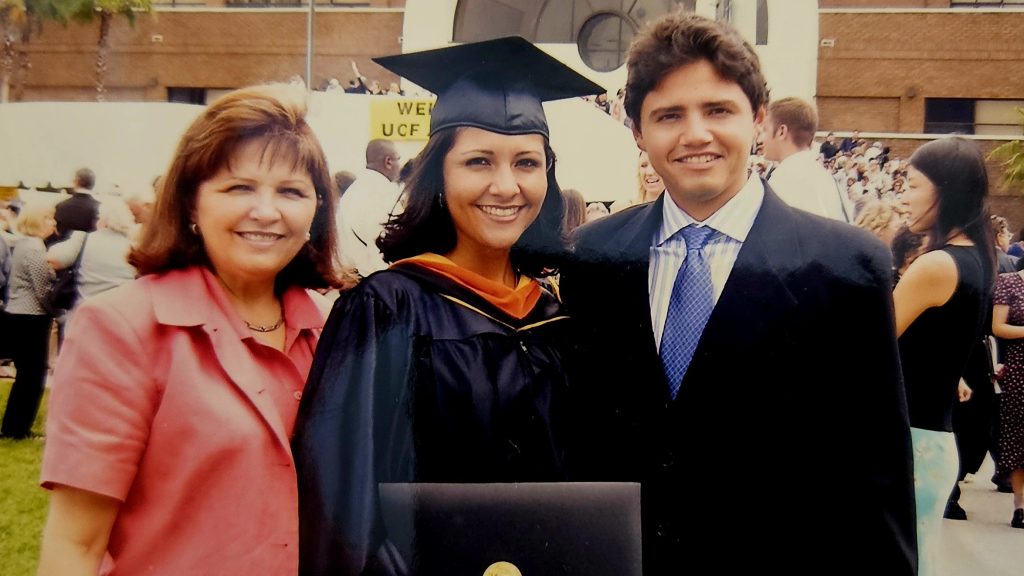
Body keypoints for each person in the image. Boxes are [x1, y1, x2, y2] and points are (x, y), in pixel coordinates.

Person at [561, 13, 916, 574]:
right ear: (637, 133)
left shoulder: (845, 264)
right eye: (668, 115)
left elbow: (878, 474)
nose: (695, 134)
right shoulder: (592, 258)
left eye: (718, 110)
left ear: (758, 120)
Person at [292, 36, 602, 575]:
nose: (506, 185)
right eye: (478, 161)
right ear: (439, 175)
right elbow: (341, 508)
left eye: (526, 162)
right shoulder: (385, 311)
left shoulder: (558, 319)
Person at [36, 83, 340, 576]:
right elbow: (75, 546)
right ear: (192, 205)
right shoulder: (121, 330)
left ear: (316, 213)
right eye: (238, 187)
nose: (266, 211)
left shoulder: (332, 329)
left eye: (291, 191)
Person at [893, 137, 994, 574]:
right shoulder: (978, 257)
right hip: (933, 441)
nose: (904, 196)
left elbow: (868, 344)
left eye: (913, 185)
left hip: (911, 443)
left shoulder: (935, 264)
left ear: (945, 190)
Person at [0, 202, 58, 439]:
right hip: (31, 316)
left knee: (26, 374)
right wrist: (53, 309)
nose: (53, 223)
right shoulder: (35, 248)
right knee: (32, 375)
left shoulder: (23, 244)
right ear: (37, 221)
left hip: (19, 313)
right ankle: (18, 428)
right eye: (49, 218)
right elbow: (42, 289)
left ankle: (14, 426)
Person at [760, 97, 849, 221]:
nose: (760, 139)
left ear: (781, 132)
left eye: (765, 129)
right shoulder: (825, 177)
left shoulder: (786, 177)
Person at [335, 139, 403, 277]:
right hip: (375, 282)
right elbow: (383, 247)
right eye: (398, 159)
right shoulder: (383, 192)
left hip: (350, 279)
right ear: (388, 162)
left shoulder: (353, 191)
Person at [47, 198, 138, 301]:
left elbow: (54, 259)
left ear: (103, 220)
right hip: (118, 311)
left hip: (86, 309)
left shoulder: (83, 239)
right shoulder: (133, 247)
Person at [53, 167, 100, 242]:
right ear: (93, 184)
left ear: (76, 181)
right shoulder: (100, 208)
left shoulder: (61, 206)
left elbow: (54, 233)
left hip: (60, 250)